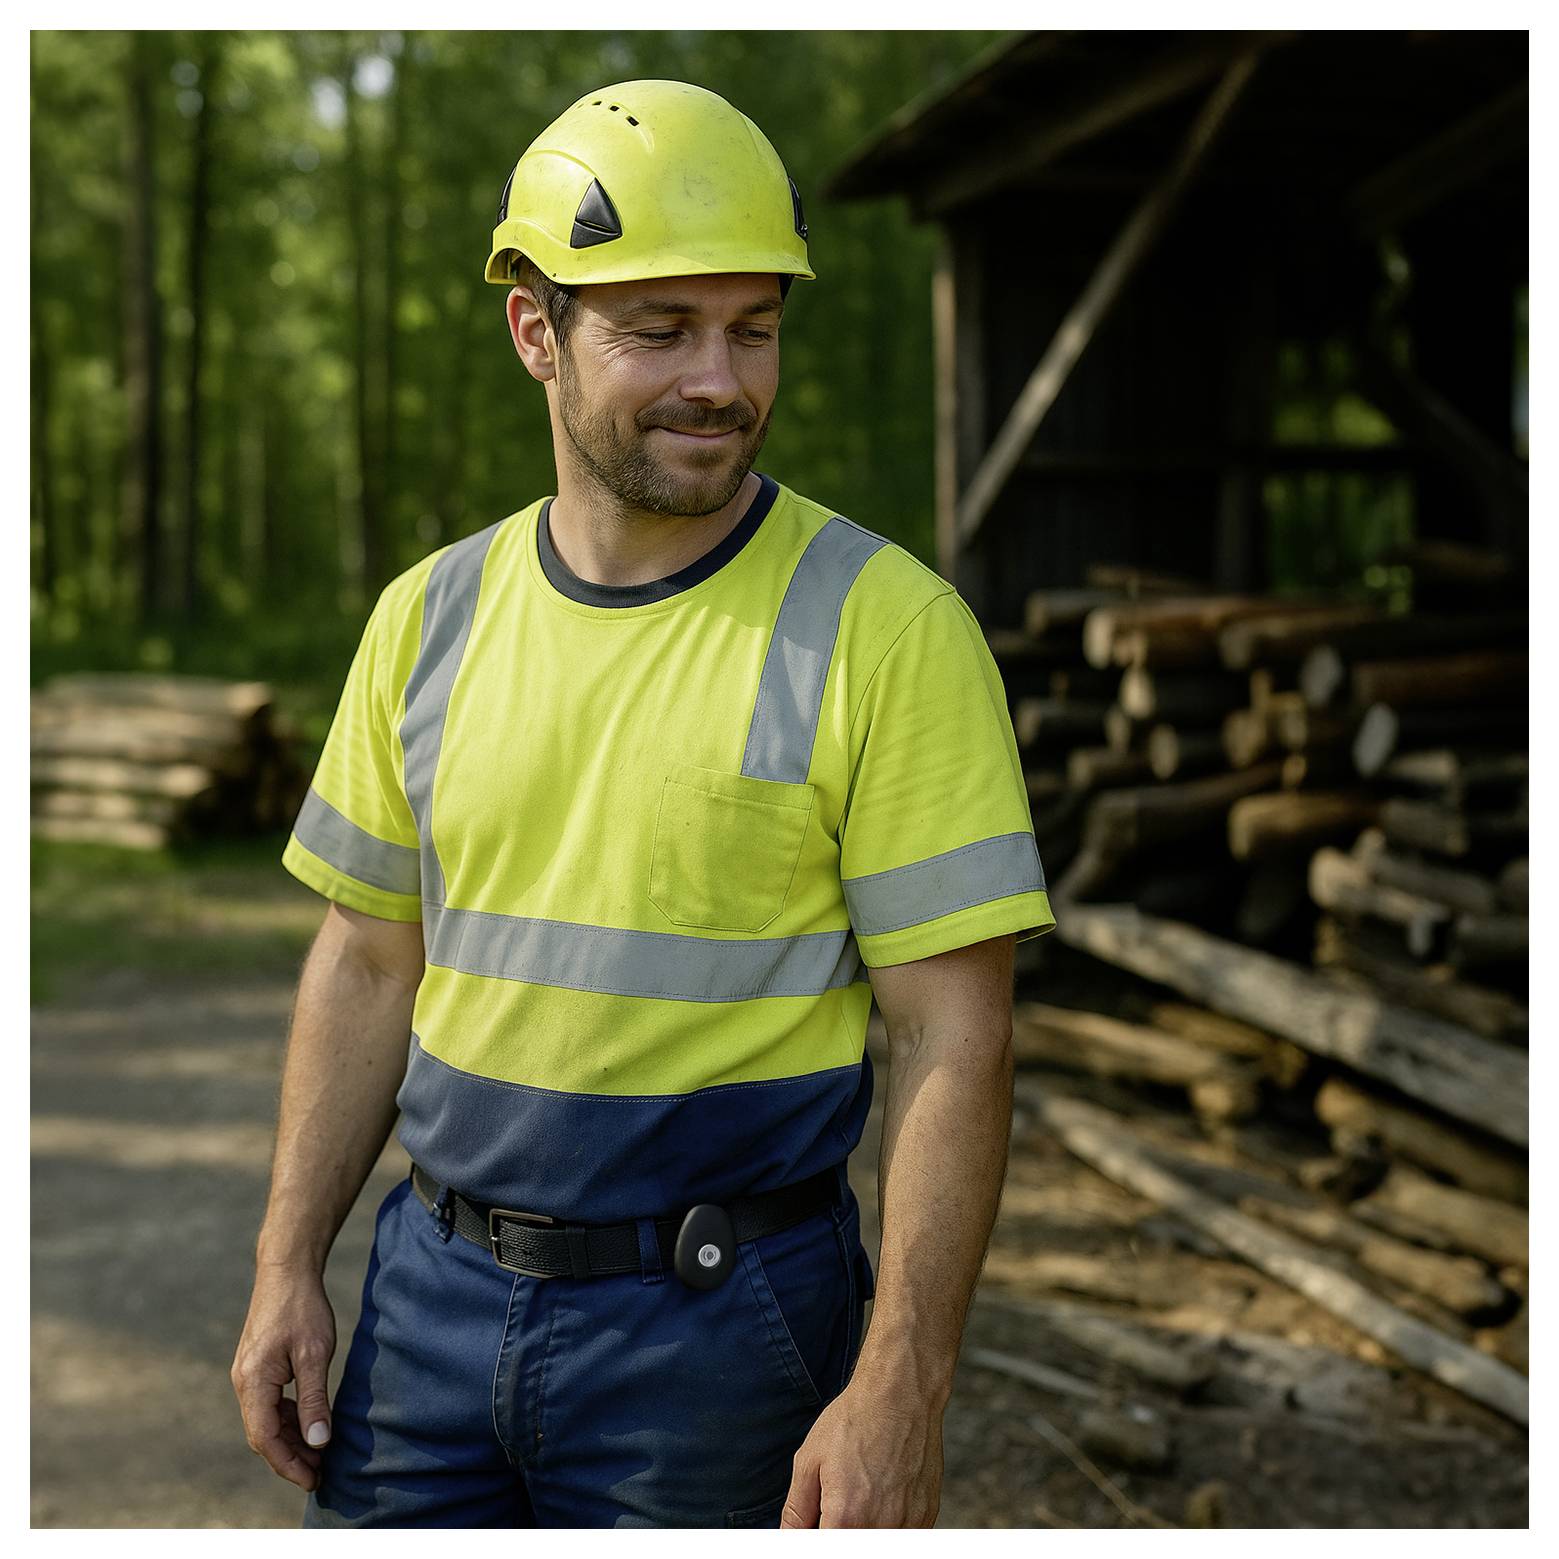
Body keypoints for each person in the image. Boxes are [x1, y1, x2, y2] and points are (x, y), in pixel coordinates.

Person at [230, 76, 1057, 1530]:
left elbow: (953, 1030)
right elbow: (366, 962)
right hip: (426, 1301)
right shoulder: (429, 619)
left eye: (754, 325)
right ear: (535, 332)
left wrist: (901, 1383)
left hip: (728, 1337)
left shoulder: (886, 630)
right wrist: (288, 1259)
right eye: (660, 330)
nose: (721, 379)